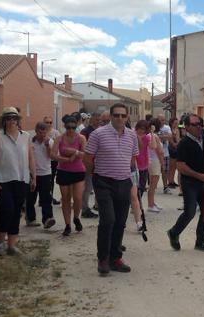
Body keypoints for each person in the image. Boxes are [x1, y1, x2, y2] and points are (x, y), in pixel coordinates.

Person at [84, 103, 139, 275]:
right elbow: (88, 158)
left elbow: (132, 160)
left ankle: (115, 258)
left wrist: (134, 181)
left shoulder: (131, 135)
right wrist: (95, 176)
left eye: (123, 116)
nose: (120, 118)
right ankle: (103, 259)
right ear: (111, 116)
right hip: (103, 182)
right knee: (108, 220)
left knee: (120, 222)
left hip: (124, 182)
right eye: (117, 115)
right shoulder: (98, 134)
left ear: (127, 117)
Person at [0, 107, 36, 256]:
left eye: (14, 118)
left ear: (18, 120)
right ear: (4, 120)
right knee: (7, 209)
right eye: (8, 118)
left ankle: (11, 245)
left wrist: (34, 176)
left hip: (21, 179)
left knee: (16, 212)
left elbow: (31, 157)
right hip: (2, 179)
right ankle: (1, 241)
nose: (11, 121)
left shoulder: (26, 136)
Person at [167, 114, 204, 253]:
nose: (199, 126)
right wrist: (200, 176)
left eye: (200, 123)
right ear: (187, 127)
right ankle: (174, 232)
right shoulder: (184, 143)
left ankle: (200, 241)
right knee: (190, 212)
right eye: (195, 124)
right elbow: (181, 167)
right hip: (190, 183)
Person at [51, 115, 86, 236]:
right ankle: (67, 225)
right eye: (68, 127)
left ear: (76, 127)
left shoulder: (81, 138)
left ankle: (76, 217)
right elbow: (53, 155)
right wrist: (66, 160)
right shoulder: (59, 138)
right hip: (64, 170)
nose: (71, 130)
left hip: (78, 170)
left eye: (73, 127)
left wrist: (74, 152)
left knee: (77, 197)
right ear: (65, 127)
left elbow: (84, 154)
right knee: (65, 199)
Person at [25, 122, 56, 229]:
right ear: (36, 131)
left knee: (46, 197)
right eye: (40, 132)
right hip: (32, 173)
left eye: (44, 132)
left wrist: (47, 146)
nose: (42, 134)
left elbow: (51, 157)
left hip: (45, 173)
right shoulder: (30, 141)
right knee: (30, 197)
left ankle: (47, 218)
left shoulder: (50, 141)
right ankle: (30, 218)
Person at [80, 112, 100, 218]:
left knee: (98, 187)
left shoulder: (101, 131)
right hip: (89, 163)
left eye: (99, 120)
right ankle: (84, 209)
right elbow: (83, 148)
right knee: (88, 187)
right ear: (91, 120)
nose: (98, 122)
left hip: (99, 164)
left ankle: (97, 205)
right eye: (96, 120)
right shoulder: (85, 131)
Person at [147, 118, 165, 213]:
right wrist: (162, 163)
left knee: (152, 184)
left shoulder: (149, 135)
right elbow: (160, 152)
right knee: (153, 185)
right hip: (155, 161)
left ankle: (152, 203)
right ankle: (150, 204)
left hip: (151, 160)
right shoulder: (155, 136)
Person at [44, 116, 61, 206]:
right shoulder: (41, 132)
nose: (49, 124)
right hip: (43, 159)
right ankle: (44, 197)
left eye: (50, 122)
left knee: (51, 179)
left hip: (53, 159)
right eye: (47, 122)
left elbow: (59, 144)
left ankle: (50, 196)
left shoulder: (56, 132)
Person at [157, 114, 173, 194]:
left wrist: (159, 136)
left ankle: (165, 186)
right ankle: (152, 185)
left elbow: (170, 137)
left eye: (163, 120)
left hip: (165, 152)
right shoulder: (154, 127)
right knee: (154, 171)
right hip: (155, 153)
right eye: (161, 120)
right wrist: (164, 136)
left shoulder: (167, 127)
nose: (162, 121)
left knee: (165, 171)